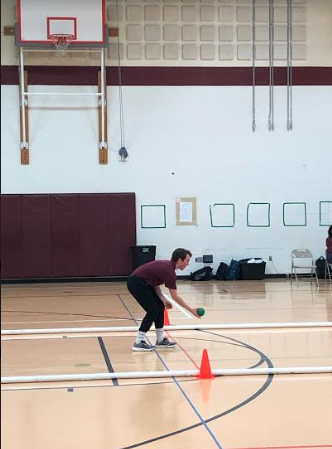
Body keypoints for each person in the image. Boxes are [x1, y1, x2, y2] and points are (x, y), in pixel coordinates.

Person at [127, 248, 200, 352]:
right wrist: (191, 310)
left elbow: (155, 284)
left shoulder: (168, 267)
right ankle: (138, 342)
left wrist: (163, 300)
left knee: (160, 307)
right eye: (187, 260)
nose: (188, 263)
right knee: (152, 310)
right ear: (179, 260)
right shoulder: (169, 271)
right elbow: (175, 297)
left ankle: (160, 340)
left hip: (144, 284)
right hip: (136, 283)